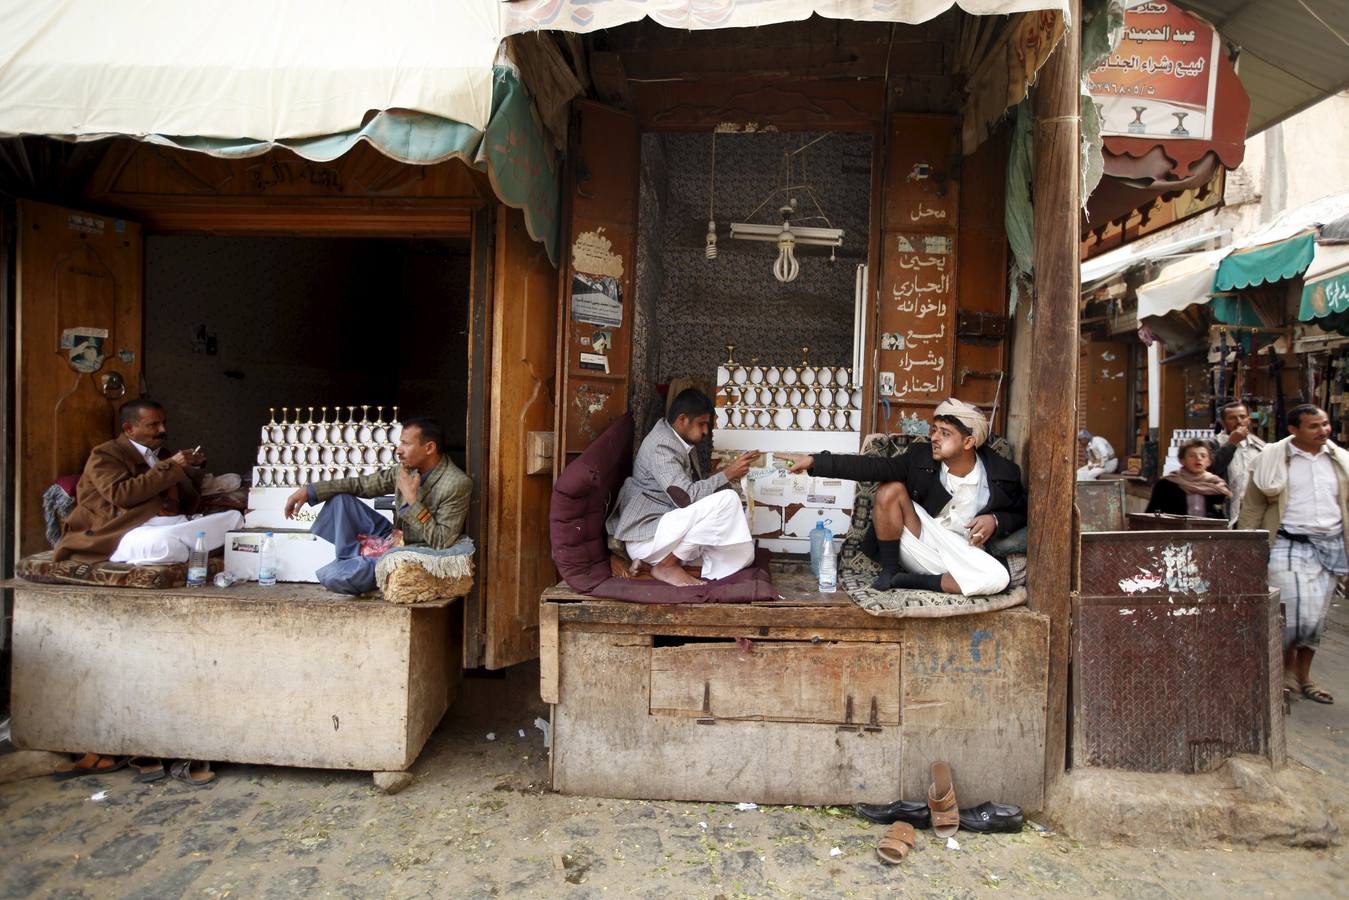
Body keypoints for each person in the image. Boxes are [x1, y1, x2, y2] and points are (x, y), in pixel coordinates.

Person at [777, 398, 1026, 596]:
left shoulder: (1002, 473)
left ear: (969, 441)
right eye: (935, 430)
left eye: (945, 433)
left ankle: (909, 581)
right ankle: (890, 569)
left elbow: (1021, 513)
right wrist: (814, 462)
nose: (934, 438)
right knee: (890, 490)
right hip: (923, 540)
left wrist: (995, 520)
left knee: (999, 579)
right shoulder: (920, 458)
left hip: (965, 551)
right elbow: (871, 467)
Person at [283, 416, 471, 594]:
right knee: (340, 500)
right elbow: (362, 485)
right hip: (392, 538)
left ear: (429, 448)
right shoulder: (406, 469)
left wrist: (413, 501)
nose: (398, 450)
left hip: (414, 552)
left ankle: (355, 566)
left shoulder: (456, 483)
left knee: (339, 576)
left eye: (406, 443)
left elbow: (441, 541)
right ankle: (351, 559)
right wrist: (311, 490)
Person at [1238, 404, 1348, 705]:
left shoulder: (1340, 460)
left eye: (1325, 424)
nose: (1323, 431)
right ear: (1293, 430)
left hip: (1331, 544)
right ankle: (1284, 671)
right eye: (1314, 426)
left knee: (1316, 616)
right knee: (1291, 610)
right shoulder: (1273, 460)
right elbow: (1253, 505)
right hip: (1289, 542)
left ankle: (1304, 675)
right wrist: (1247, 547)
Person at [54, 399, 242, 564]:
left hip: (169, 523)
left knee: (234, 518)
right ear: (129, 429)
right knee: (163, 544)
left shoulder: (163, 455)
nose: (163, 430)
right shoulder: (105, 454)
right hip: (121, 531)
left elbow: (188, 499)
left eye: (163, 423)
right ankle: (190, 545)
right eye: (154, 425)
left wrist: (193, 469)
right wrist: (170, 467)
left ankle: (188, 544)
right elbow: (122, 495)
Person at [606, 388, 761, 587]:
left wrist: (727, 474)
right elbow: (685, 498)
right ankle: (668, 566)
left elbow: (692, 487)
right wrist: (727, 474)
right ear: (682, 420)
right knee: (728, 499)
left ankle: (649, 569)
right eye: (702, 424)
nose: (706, 431)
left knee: (742, 553)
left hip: (666, 534)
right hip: (648, 534)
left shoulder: (680, 440)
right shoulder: (662, 446)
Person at [1209, 400, 1266, 525]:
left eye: (1242, 417)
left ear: (1249, 419)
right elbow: (1213, 469)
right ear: (1223, 422)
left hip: (1254, 509)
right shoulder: (1213, 444)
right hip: (1226, 509)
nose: (1239, 421)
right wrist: (1232, 443)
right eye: (1232, 418)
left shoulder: (1260, 446)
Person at [1145, 438, 1230, 518]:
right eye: (1192, 456)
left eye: (1203, 456)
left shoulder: (1216, 486)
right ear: (1182, 460)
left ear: (1209, 461)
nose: (1198, 459)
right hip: (1174, 532)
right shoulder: (1165, 485)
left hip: (1207, 532)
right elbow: (1152, 515)